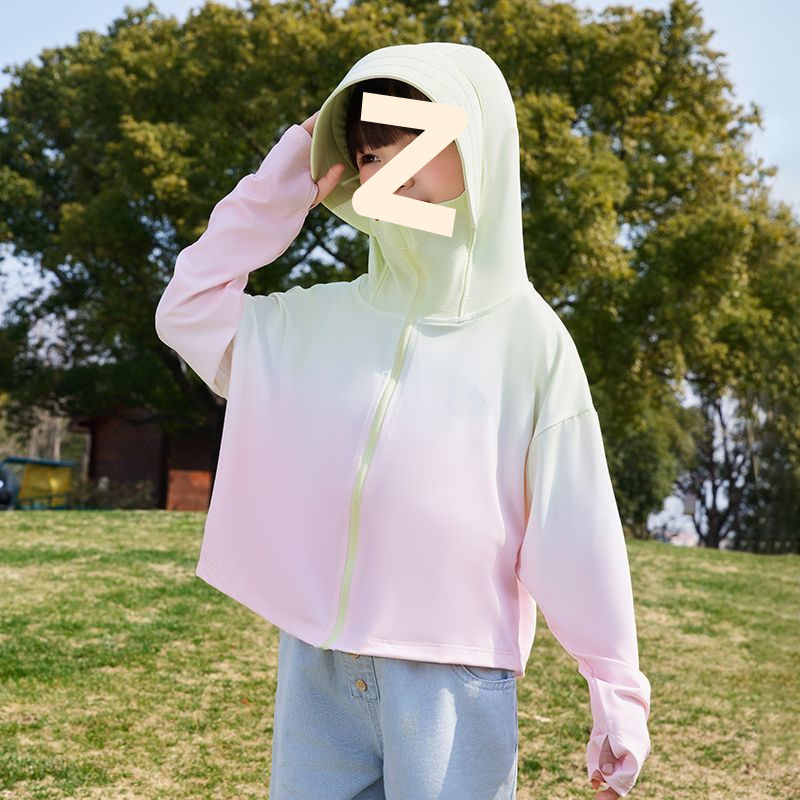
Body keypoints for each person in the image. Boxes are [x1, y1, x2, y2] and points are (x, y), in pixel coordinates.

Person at [154, 43, 651, 800]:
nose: (395, 167)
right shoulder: (315, 319)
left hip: (453, 674)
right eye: (370, 153)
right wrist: (290, 173)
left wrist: (616, 690)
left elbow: (574, 525)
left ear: (478, 142)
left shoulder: (530, 338)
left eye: (417, 139)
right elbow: (187, 309)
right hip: (319, 664)